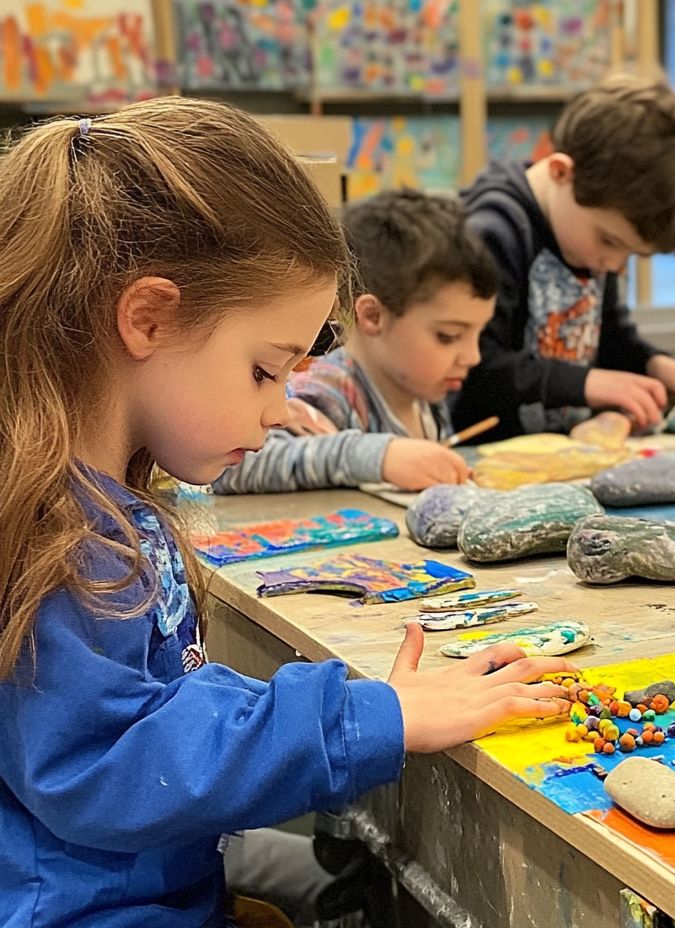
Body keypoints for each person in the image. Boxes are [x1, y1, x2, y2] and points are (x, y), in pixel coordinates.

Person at [0, 98, 571, 928]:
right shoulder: (60, 533)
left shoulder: (99, 500)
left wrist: (357, 707)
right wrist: (367, 718)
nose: (281, 410)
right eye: (267, 372)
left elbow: (150, 703)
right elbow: (109, 765)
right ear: (149, 318)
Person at [452, 73, 675, 441]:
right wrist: (586, 383)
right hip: (484, 459)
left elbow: (606, 333)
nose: (615, 264)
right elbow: (474, 367)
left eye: (633, 253)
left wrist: (651, 363)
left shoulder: (589, 238)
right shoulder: (492, 232)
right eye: (610, 241)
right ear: (562, 172)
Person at [214, 189, 494, 494]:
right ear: (372, 316)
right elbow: (236, 467)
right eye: (448, 336)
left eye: (477, 334)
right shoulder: (328, 390)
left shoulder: (427, 399)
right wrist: (379, 457)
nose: (472, 356)